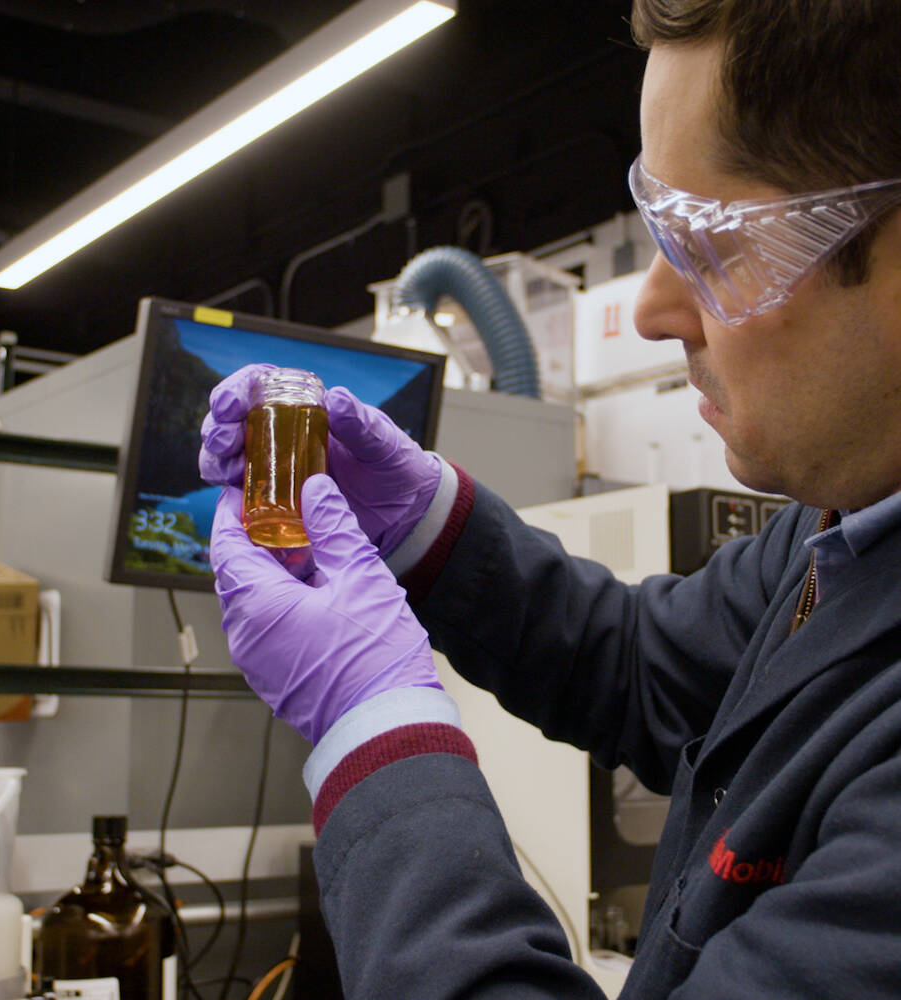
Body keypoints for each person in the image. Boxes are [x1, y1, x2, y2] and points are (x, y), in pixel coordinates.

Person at [198, 0, 901, 995]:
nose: (653, 309)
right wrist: (425, 528)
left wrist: (376, 732)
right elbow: (644, 669)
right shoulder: (846, 531)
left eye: (705, 243)